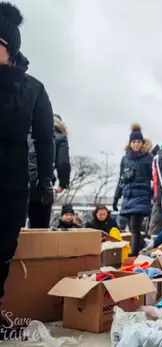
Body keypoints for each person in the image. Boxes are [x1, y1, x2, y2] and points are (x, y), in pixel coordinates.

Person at [0, 2, 54, 339]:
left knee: (3, 249)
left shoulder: (33, 88)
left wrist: (46, 178)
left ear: (9, 46)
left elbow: (45, 137)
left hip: (11, 181)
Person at [113, 123, 153, 256]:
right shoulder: (125, 159)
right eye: (133, 141)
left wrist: (154, 195)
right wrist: (116, 197)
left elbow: (153, 178)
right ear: (130, 143)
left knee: (135, 227)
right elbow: (121, 179)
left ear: (142, 143)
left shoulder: (148, 158)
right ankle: (140, 249)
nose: (136, 144)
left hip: (142, 196)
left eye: (138, 141)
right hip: (128, 196)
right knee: (132, 228)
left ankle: (133, 254)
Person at [28, 114, 70, 228]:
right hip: (41, 186)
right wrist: (63, 183)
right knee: (39, 230)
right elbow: (63, 163)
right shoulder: (60, 138)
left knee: (13, 231)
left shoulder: (26, 134)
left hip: (17, 184)